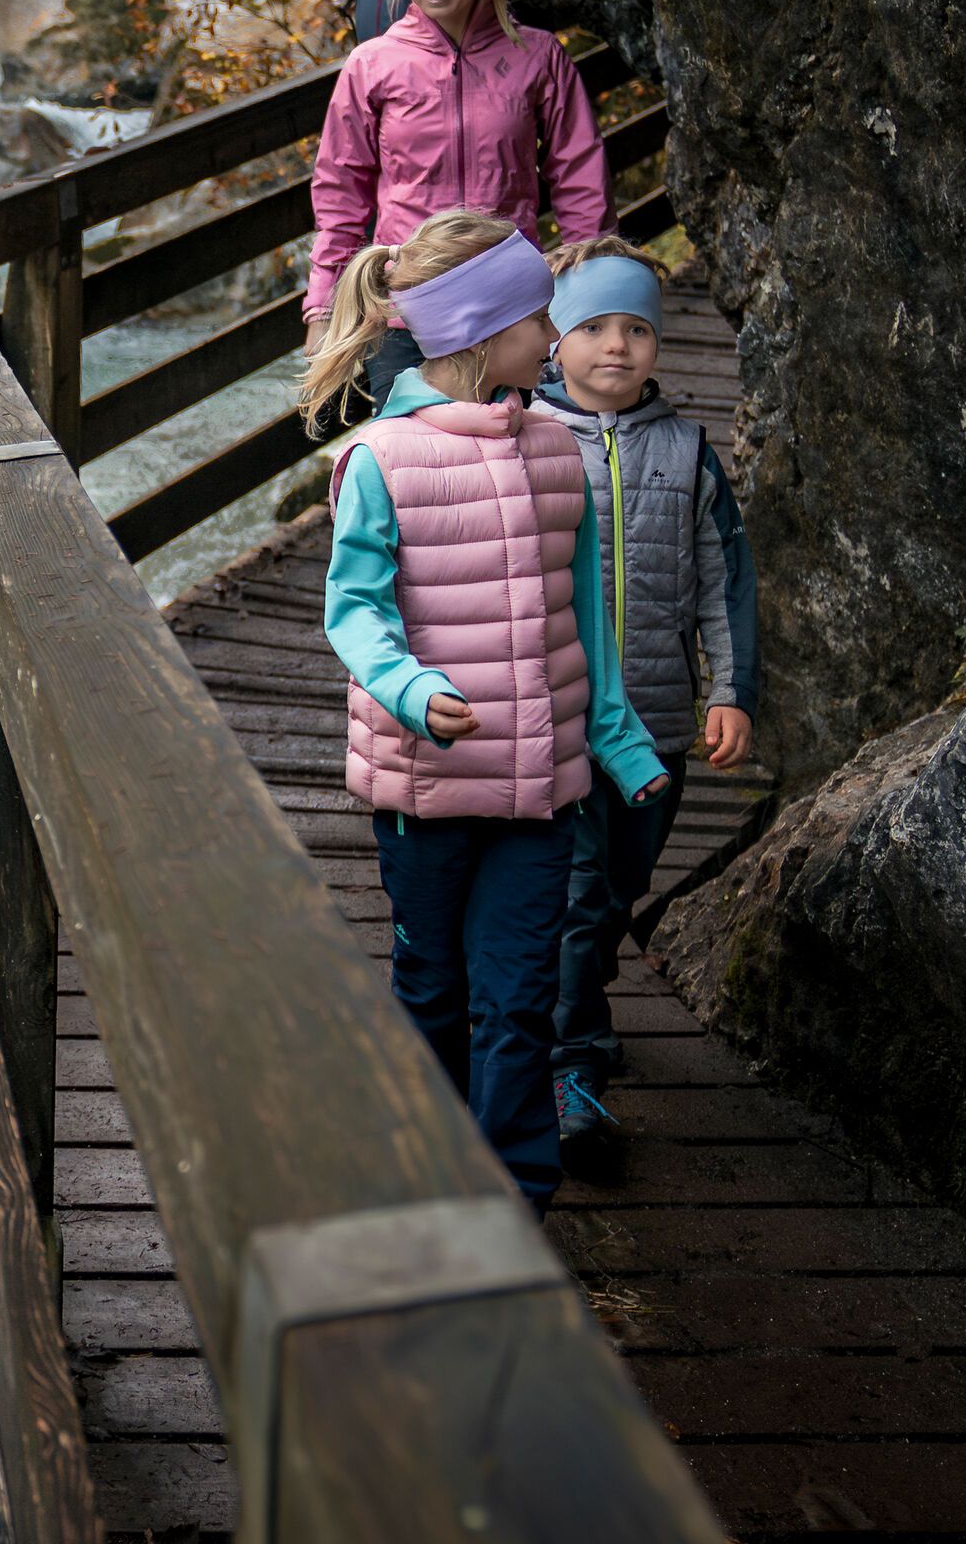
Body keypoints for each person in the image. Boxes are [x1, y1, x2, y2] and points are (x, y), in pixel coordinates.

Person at [302, 212, 670, 1209]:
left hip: (541, 791)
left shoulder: (555, 450)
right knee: (432, 988)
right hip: (425, 790)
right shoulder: (380, 458)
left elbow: (584, 615)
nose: (554, 335)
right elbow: (356, 611)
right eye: (539, 317)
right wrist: (413, 691)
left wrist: (618, 740)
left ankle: (514, 1194)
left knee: (519, 996)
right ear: (479, 329)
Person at [532, 239, 761, 1180]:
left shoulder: (689, 451)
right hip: (560, 721)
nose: (616, 346)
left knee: (617, 888)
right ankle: (571, 1066)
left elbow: (724, 583)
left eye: (636, 328)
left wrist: (730, 691)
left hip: (660, 723)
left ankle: (573, 1007)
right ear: (554, 340)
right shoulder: (526, 438)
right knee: (580, 894)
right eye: (593, 326)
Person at [307, 0, 610, 415]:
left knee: (517, 447)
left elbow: (580, 175)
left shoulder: (537, 55)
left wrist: (592, 293)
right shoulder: (373, 64)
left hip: (510, 305)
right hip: (409, 306)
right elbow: (341, 192)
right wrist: (322, 306)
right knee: (412, 454)